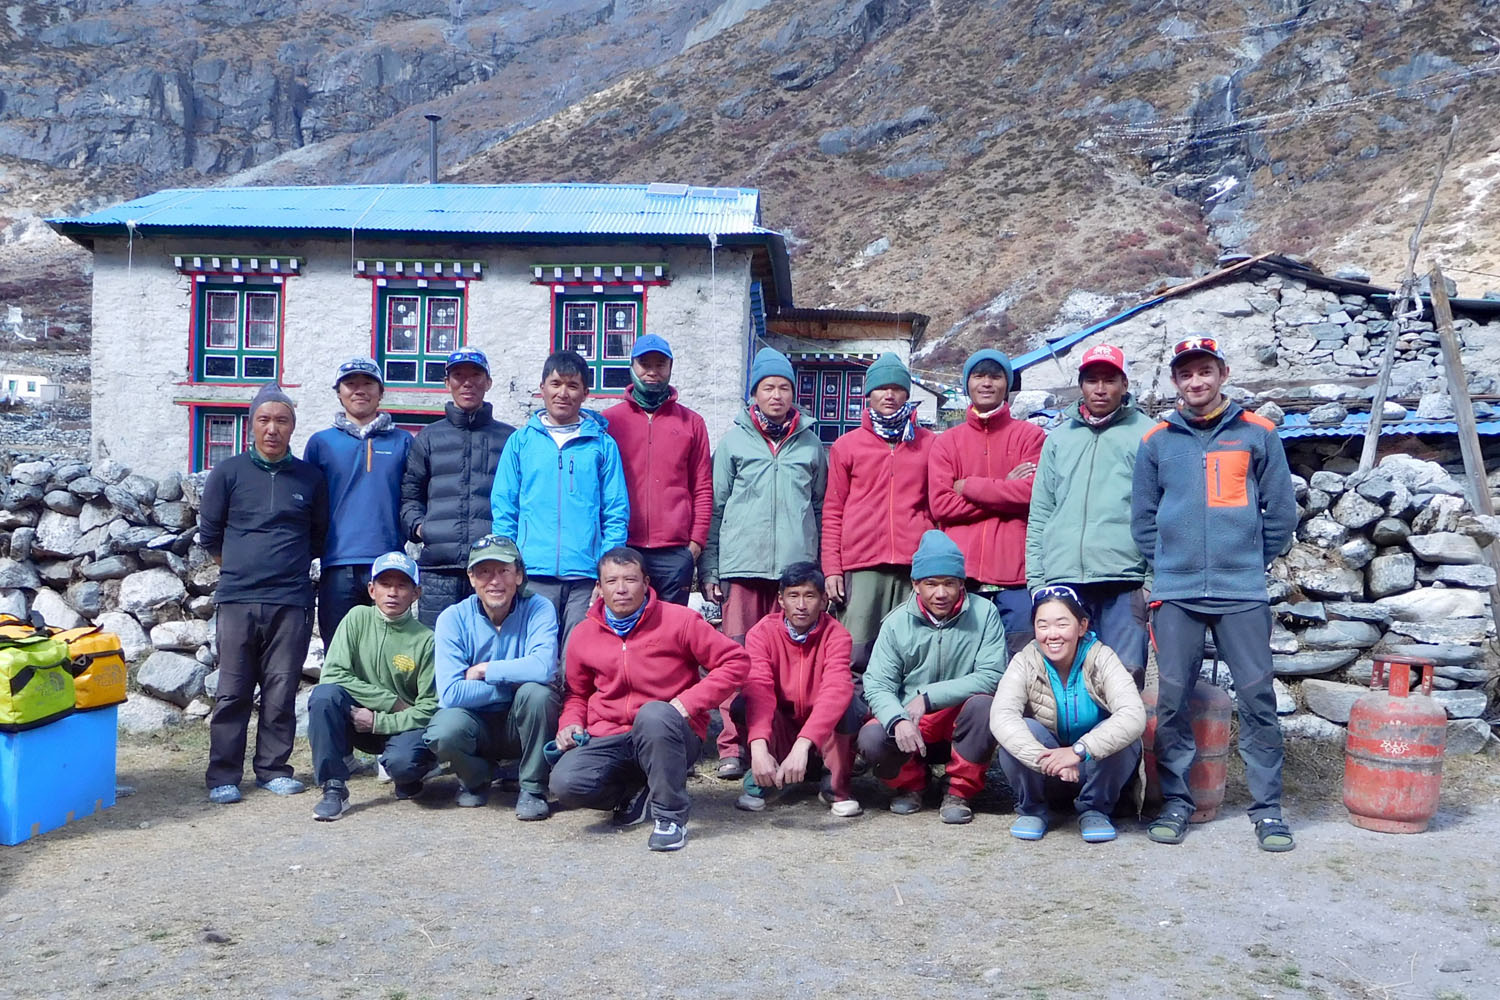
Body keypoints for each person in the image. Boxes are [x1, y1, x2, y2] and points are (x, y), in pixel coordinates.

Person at [1131, 335, 1298, 852]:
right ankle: (1177, 802)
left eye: (1205, 371)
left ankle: (1267, 810)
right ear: (1175, 381)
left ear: (1223, 374)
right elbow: (1142, 520)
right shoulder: (1157, 441)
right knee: (1173, 701)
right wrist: (1170, 567)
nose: (1196, 381)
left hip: (1241, 592)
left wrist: (1248, 560)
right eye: (1186, 374)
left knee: (1258, 697)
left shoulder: (1258, 434)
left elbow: (1281, 512)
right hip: (1177, 594)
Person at [549, 547, 751, 852]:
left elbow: (736, 662)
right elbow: (578, 693)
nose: (621, 589)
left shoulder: (680, 620)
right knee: (565, 783)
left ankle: (669, 817)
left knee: (654, 714)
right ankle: (637, 790)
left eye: (630, 579)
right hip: (610, 735)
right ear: (599, 587)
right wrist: (571, 722)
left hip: (669, 732)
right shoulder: (583, 633)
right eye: (612, 581)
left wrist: (688, 703)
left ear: (646, 582)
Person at [701, 347, 827, 779]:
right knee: (736, 660)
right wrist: (711, 569)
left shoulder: (810, 443)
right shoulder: (734, 442)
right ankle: (732, 747)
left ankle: (783, 745)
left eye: (784, 387)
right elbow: (716, 509)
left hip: (794, 576)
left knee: (789, 664)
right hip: (742, 570)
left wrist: (820, 570)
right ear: (754, 393)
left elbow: (820, 507)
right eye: (768, 387)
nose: (777, 395)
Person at [200, 383, 329, 804]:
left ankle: (273, 769)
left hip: (291, 600)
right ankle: (223, 775)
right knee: (233, 689)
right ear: (251, 425)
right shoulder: (228, 473)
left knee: (281, 688)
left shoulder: (310, 478)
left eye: (282, 421)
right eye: (264, 420)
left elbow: (318, 536)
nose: (273, 429)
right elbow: (210, 535)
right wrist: (245, 568)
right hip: (237, 598)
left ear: (293, 427)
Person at [1025, 343, 1153, 686]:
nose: (1100, 389)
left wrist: (1151, 582)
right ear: (1080, 385)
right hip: (1063, 580)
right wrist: (1037, 581)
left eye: (1109, 380)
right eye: (1092, 380)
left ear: (1124, 384)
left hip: (1124, 582)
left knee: (1122, 681)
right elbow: (1041, 512)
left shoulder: (1148, 435)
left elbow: (1162, 513)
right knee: (1063, 681)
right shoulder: (1058, 439)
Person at [857, 530, 1005, 824]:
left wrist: (928, 697)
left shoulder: (985, 613)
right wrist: (897, 719)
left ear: (961, 583)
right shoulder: (896, 623)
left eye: (949, 583)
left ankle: (959, 790)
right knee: (872, 738)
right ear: (915, 584)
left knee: (986, 706)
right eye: (931, 584)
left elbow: (992, 675)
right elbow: (878, 684)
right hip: (911, 722)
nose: (941, 593)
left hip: (960, 719)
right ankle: (912, 785)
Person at [492, 350, 629, 651]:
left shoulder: (602, 445)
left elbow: (615, 512)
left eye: (572, 385)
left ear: (585, 392)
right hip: (532, 574)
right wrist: (508, 565)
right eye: (555, 384)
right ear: (542, 388)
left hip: (585, 576)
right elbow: (505, 509)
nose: (563, 393)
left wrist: (607, 571)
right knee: (534, 655)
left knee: (578, 657)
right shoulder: (521, 442)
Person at [989, 586, 1146, 843]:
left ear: (1082, 626)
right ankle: (1032, 809)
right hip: (1046, 769)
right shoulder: (1025, 661)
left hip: (1092, 769)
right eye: (1043, 626)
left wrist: (1078, 752)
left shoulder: (1102, 657)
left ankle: (1095, 808)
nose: (1052, 634)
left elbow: (1133, 714)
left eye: (1062, 624)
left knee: (1125, 734)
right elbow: (1002, 716)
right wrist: (1050, 761)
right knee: (1020, 730)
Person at [422, 535, 560, 819]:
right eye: (484, 571)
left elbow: (544, 668)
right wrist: (511, 684)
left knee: (538, 694)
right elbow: (450, 694)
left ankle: (533, 788)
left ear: (518, 575)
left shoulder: (539, 608)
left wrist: (486, 670)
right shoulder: (452, 618)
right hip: (474, 721)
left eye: (504, 570)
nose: (495, 581)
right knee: (442, 731)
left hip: (520, 720)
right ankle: (478, 777)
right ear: (471, 578)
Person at [821, 352, 936, 670]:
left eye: (897, 388)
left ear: (907, 394)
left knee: (910, 652)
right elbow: (833, 510)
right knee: (855, 654)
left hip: (913, 565)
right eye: (881, 388)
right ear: (868, 394)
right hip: (862, 563)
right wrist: (832, 568)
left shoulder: (929, 444)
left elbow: (938, 506)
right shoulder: (847, 446)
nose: (889, 394)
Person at [929, 348, 1044, 658]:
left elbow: (1032, 494)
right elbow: (941, 506)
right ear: (967, 383)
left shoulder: (1031, 437)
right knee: (962, 659)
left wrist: (970, 487)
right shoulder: (946, 442)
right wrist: (1006, 488)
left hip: (1015, 573)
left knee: (1021, 661)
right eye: (979, 376)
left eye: (995, 376)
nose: (987, 383)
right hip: (962, 574)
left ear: (1007, 384)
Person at [307, 551, 439, 821]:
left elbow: (429, 708)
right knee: (324, 696)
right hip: (358, 720)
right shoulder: (356, 618)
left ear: (416, 593)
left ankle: (414, 772)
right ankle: (333, 788)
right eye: (385, 584)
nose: (392, 592)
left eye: (402, 585)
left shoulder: (427, 640)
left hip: (401, 726)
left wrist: (380, 721)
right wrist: (389, 702)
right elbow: (333, 674)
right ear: (371, 589)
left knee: (403, 766)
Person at [400, 347, 515, 628]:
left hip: (492, 568)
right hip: (439, 570)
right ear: (447, 383)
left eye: (475, 376)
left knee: (492, 646)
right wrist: (421, 528)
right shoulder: (428, 438)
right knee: (438, 646)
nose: (467, 383)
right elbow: (410, 496)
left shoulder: (510, 440)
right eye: (459, 376)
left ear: (488, 382)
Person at [736, 562, 861, 818]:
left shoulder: (837, 635)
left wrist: (803, 745)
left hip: (822, 736)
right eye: (793, 596)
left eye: (810, 596)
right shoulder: (762, 633)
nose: (801, 605)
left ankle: (835, 784)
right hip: (783, 727)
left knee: (847, 703)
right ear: (781, 600)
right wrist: (758, 747)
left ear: (824, 600)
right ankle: (763, 774)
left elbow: (835, 690)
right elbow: (759, 688)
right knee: (744, 703)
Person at [304, 357, 413, 647]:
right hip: (337, 563)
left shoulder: (403, 442)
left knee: (388, 652)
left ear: (381, 392)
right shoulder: (321, 443)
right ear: (339, 393)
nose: (359, 390)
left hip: (388, 564)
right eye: (351, 384)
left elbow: (413, 498)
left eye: (368, 383)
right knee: (340, 651)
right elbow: (309, 505)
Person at [601, 334, 712, 606]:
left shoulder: (692, 423)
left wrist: (695, 544)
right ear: (632, 366)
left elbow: (702, 487)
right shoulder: (609, 422)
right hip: (624, 547)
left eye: (660, 364)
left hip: (676, 552)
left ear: (670, 367)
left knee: (671, 627)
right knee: (626, 624)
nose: (652, 371)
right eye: (645, 364)